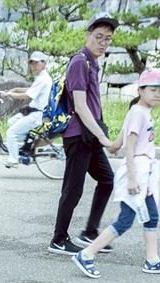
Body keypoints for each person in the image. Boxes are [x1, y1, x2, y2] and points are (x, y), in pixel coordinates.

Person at [71, 70, 160, 279]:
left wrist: (109, 146)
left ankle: (152, 260)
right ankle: (86, 254)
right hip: (136, 171)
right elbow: (129, 147)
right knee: (125, 219)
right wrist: (131, 178)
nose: (158, 94)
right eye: (153, 90)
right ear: (140, 91)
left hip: (142, 172)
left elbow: (119, 142)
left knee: (151, 215)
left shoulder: (138, 111)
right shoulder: (139, 113)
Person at [49, 17, 122, 255]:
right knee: (73, 188)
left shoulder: (92, 63)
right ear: (87, 35)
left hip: (88, 136)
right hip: (78, 136)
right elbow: (80, 105)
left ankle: (90, 232)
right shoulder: (80, 62)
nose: (103, 42)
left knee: (107, 179)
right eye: (98, 36)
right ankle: (59, 239)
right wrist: (103, 137)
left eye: (108, 39)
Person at [0, 51, 53, 168]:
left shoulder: (43, 79)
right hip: (34, 112)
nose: (33, 66)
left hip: (37, 115)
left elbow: (27, 96)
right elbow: (29, 89)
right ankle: (27, 146)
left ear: (43, 63)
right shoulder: (41, 77)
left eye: (36, 63)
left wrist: (9, 95)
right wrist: (14, 90)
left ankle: (14, 159)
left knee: (11, 133)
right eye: (31, 63)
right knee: (11, 122)